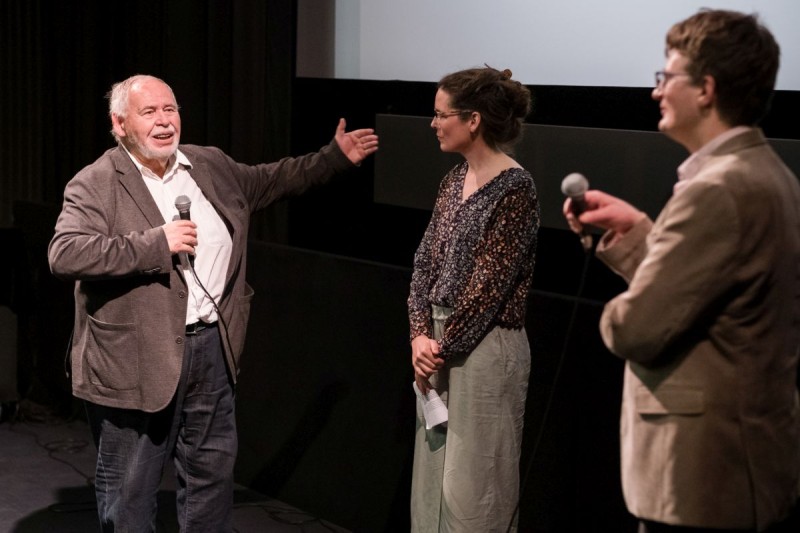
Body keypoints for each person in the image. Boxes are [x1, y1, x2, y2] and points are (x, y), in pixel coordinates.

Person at [47, 74, 378, 532]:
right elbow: (65, 254)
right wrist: (154, 244)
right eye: (150, 113)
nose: (164, 121)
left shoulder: (208, 165)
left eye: (171, 109)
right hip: (135, 361)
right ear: (119, 124)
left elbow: (271, 179)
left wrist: (333, 159)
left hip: (211, 352)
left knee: (210, 482)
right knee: (130, 495)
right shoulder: (96, 182)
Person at [563, 9, 800, 533]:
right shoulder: (766, 173)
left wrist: (618, 313)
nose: (656, 92)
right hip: (740, 466)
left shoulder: (715, 191)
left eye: (665, 78)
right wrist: (646, 234)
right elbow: (714, 294)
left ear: (706, 89)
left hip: (704, 477)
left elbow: (636, 327)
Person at [407, 66, 539, 532]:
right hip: (439, 344)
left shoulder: (515, 188)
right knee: (432, 481)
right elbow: (425, 261)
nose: (434, 123)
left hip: (484, 348)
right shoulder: (452, 181)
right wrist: (420, 334)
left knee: (476, 483)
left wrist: (440, 348)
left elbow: (489, 287)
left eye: (442, 114)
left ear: (474, 120)